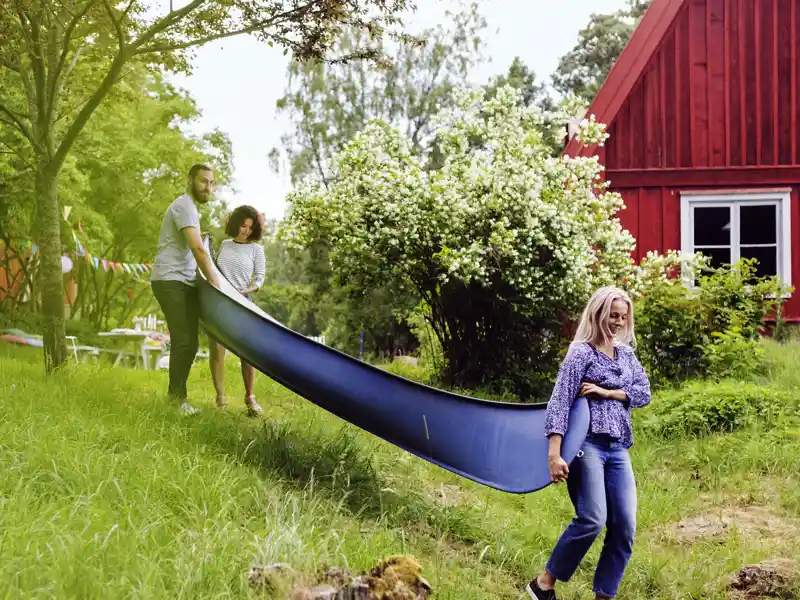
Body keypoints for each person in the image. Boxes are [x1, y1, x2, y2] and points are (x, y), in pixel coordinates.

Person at [526, 286, 651, 600]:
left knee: (624, 527)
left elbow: (644, 393)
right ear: (598, 313)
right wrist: (554, 454)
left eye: (623, 317)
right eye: (613, 315)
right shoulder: (580, 352)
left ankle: (603, 596)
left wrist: (607, 392)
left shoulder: (627, 355)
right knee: (593, 518)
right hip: (587, 445)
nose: (618, 322)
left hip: (619, 447)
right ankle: (543, 583)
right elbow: (559, 402)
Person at [151, 164, 221, 416]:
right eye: (203, 181)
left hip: (184, 281)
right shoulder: (184, 206)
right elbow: (196, 248)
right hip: (170, 280)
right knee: (183, 340)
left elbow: (195, 243)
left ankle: (177, 398)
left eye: (211, 183)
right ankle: (176, 401)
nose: (208, 187)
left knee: (190, 343)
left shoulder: (190, 210)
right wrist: (215, 280)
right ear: (190, 179)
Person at [209, 205, 266, 415]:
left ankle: (250, 397)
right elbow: (214, 269)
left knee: (247, 352)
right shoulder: (225, 244)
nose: (245, 231)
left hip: (242, 302)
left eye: (250, 228)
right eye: (243, 226)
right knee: (216, 350)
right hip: (219, 301)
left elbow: (259, 280)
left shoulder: (256, 250)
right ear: (236, 224)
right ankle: (220, 398)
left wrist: (245, 290)